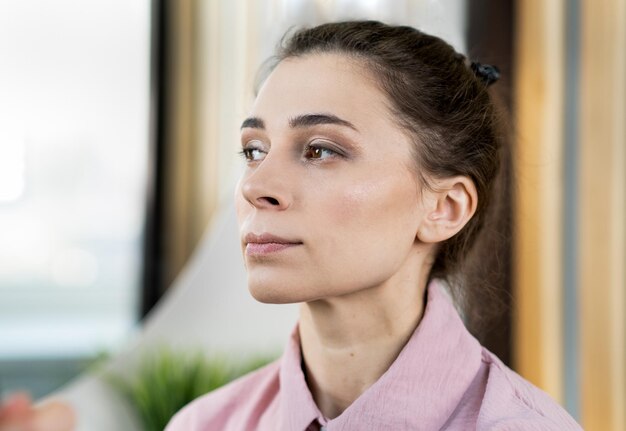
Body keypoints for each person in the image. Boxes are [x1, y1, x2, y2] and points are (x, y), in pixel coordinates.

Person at [0, 21, 581, 431]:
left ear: (445, 208)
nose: (255, 187)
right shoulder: (204, 425)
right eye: (254, 150)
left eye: (322, 149)